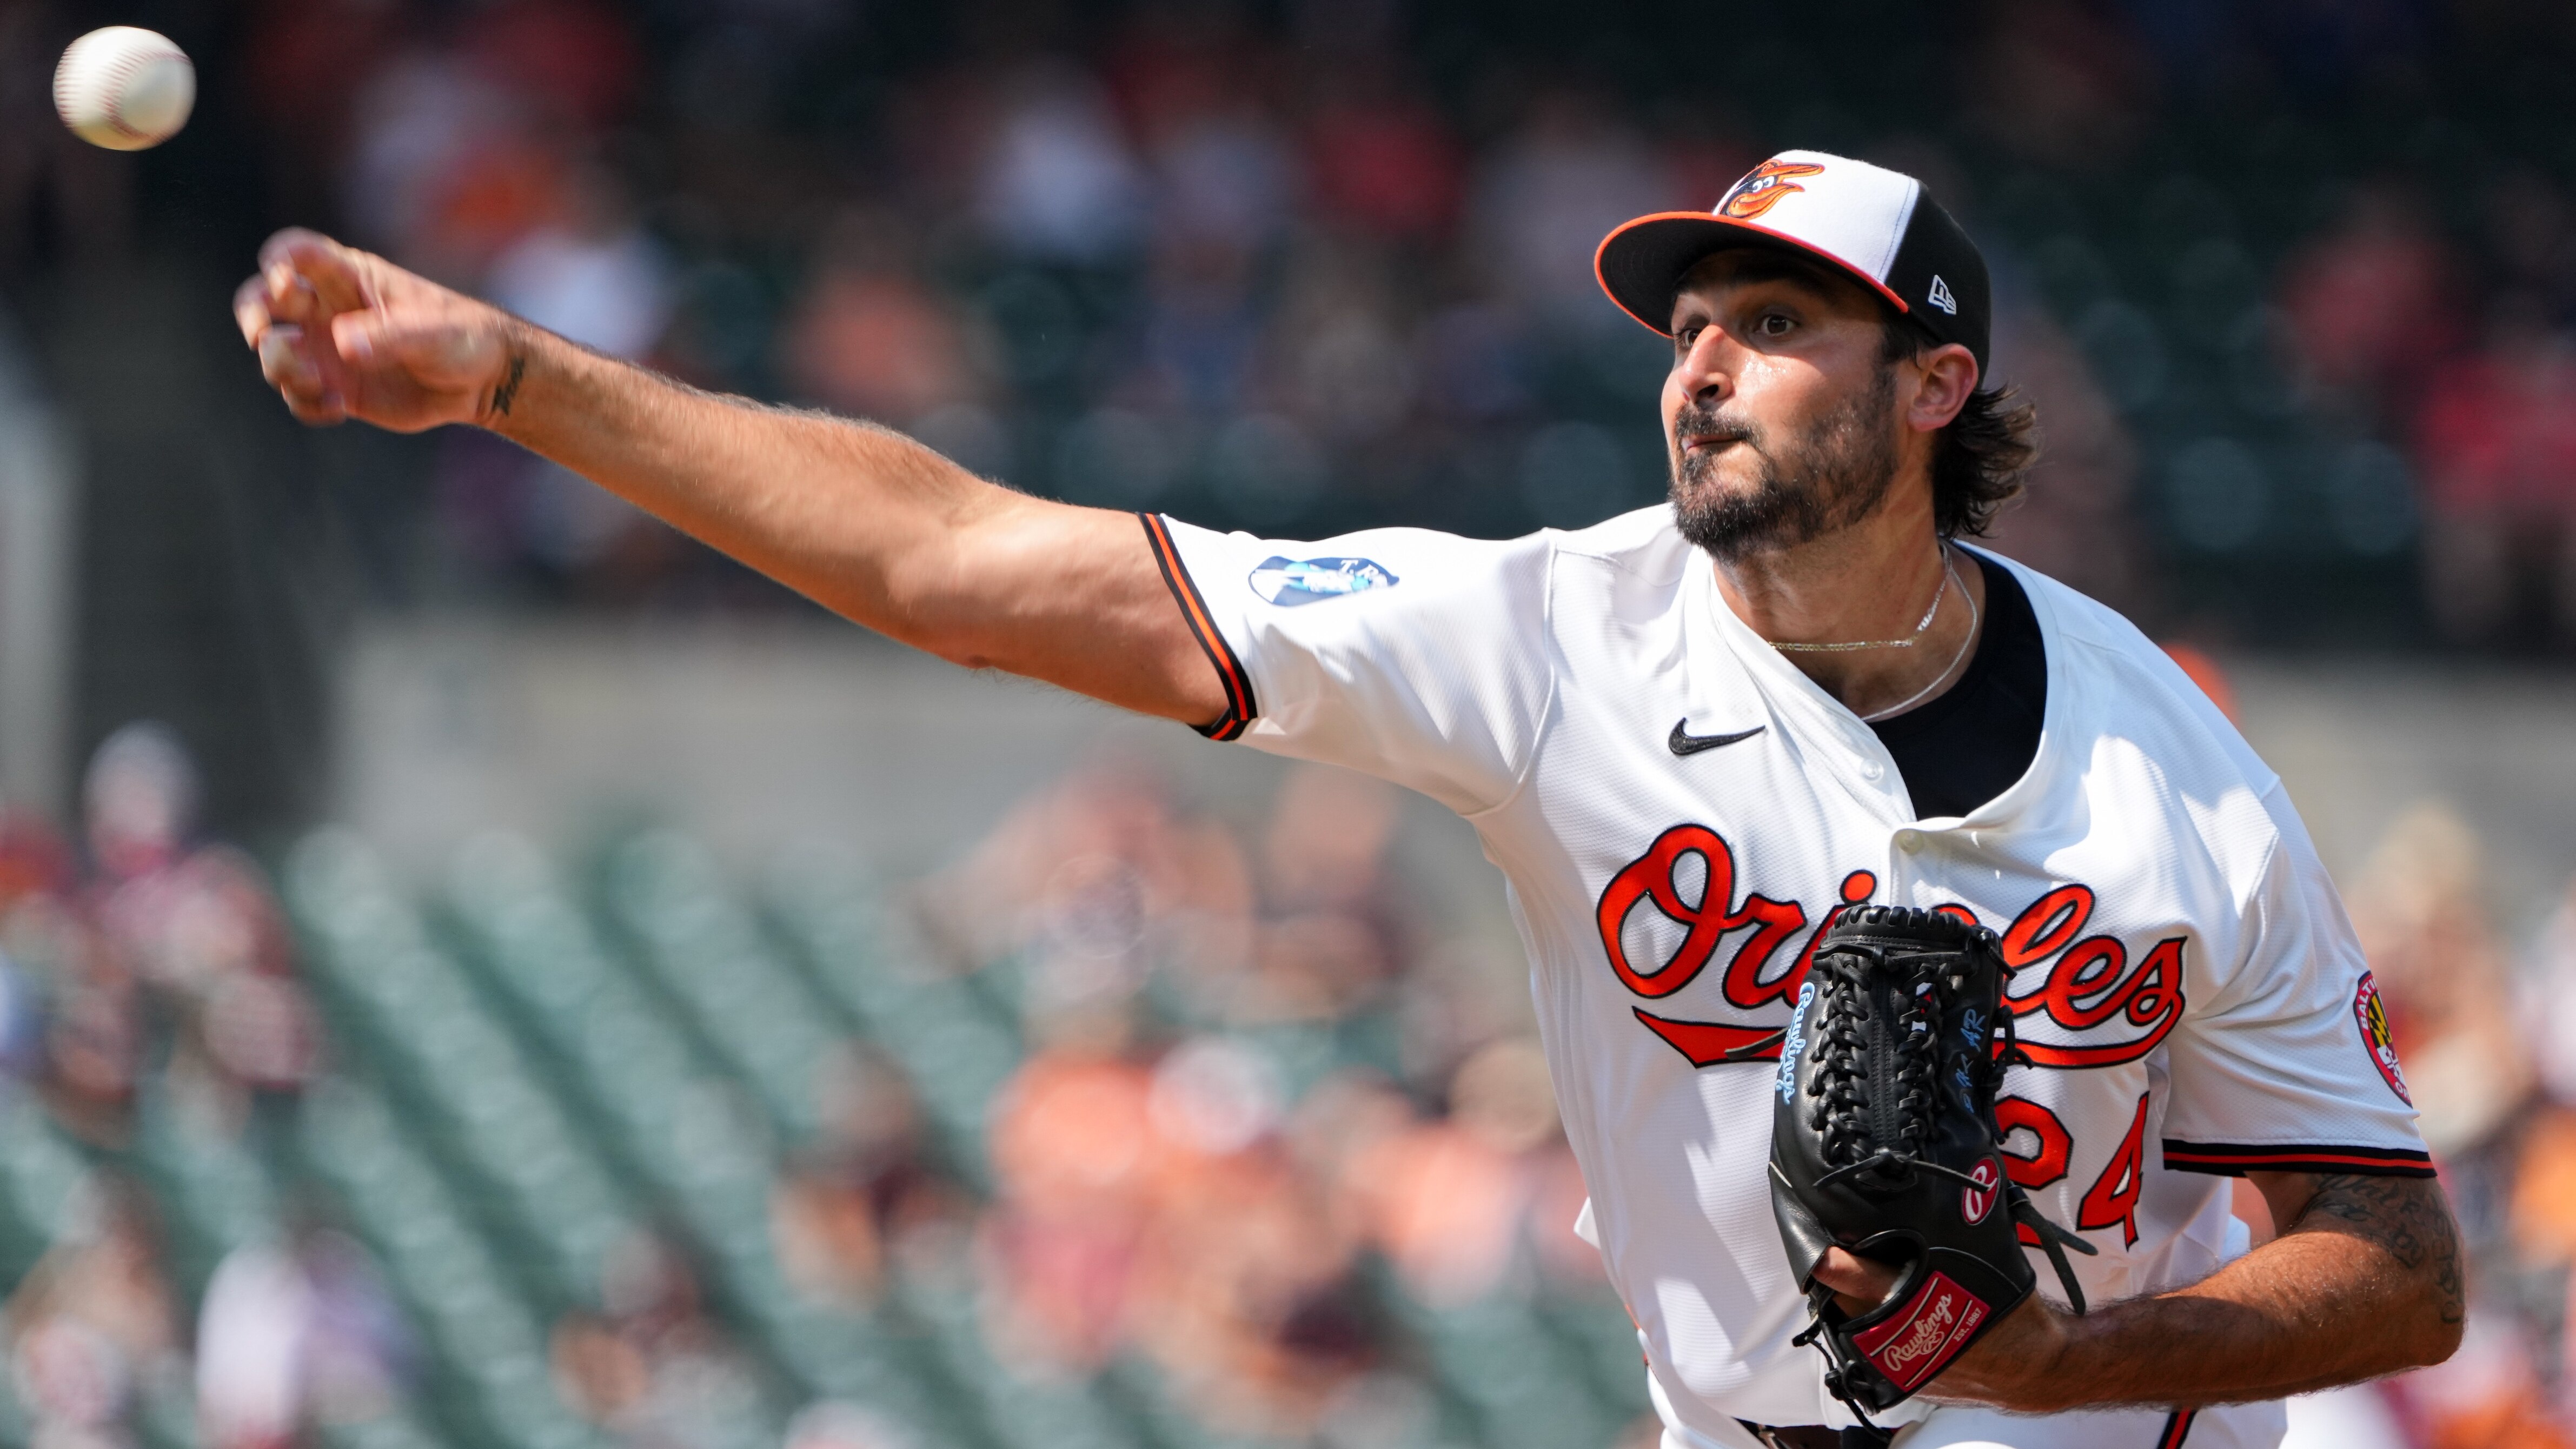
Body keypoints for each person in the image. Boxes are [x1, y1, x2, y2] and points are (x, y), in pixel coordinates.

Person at [235, 149, 2462, 1448]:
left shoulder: (2174, 774)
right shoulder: (1544, 637)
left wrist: (2073, 1355)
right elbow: (961, 565)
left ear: (1937, 386)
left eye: (1775, 319)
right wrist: (515, 379)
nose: (1698, 358)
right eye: (1686, 318)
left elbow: (2396, 1269)